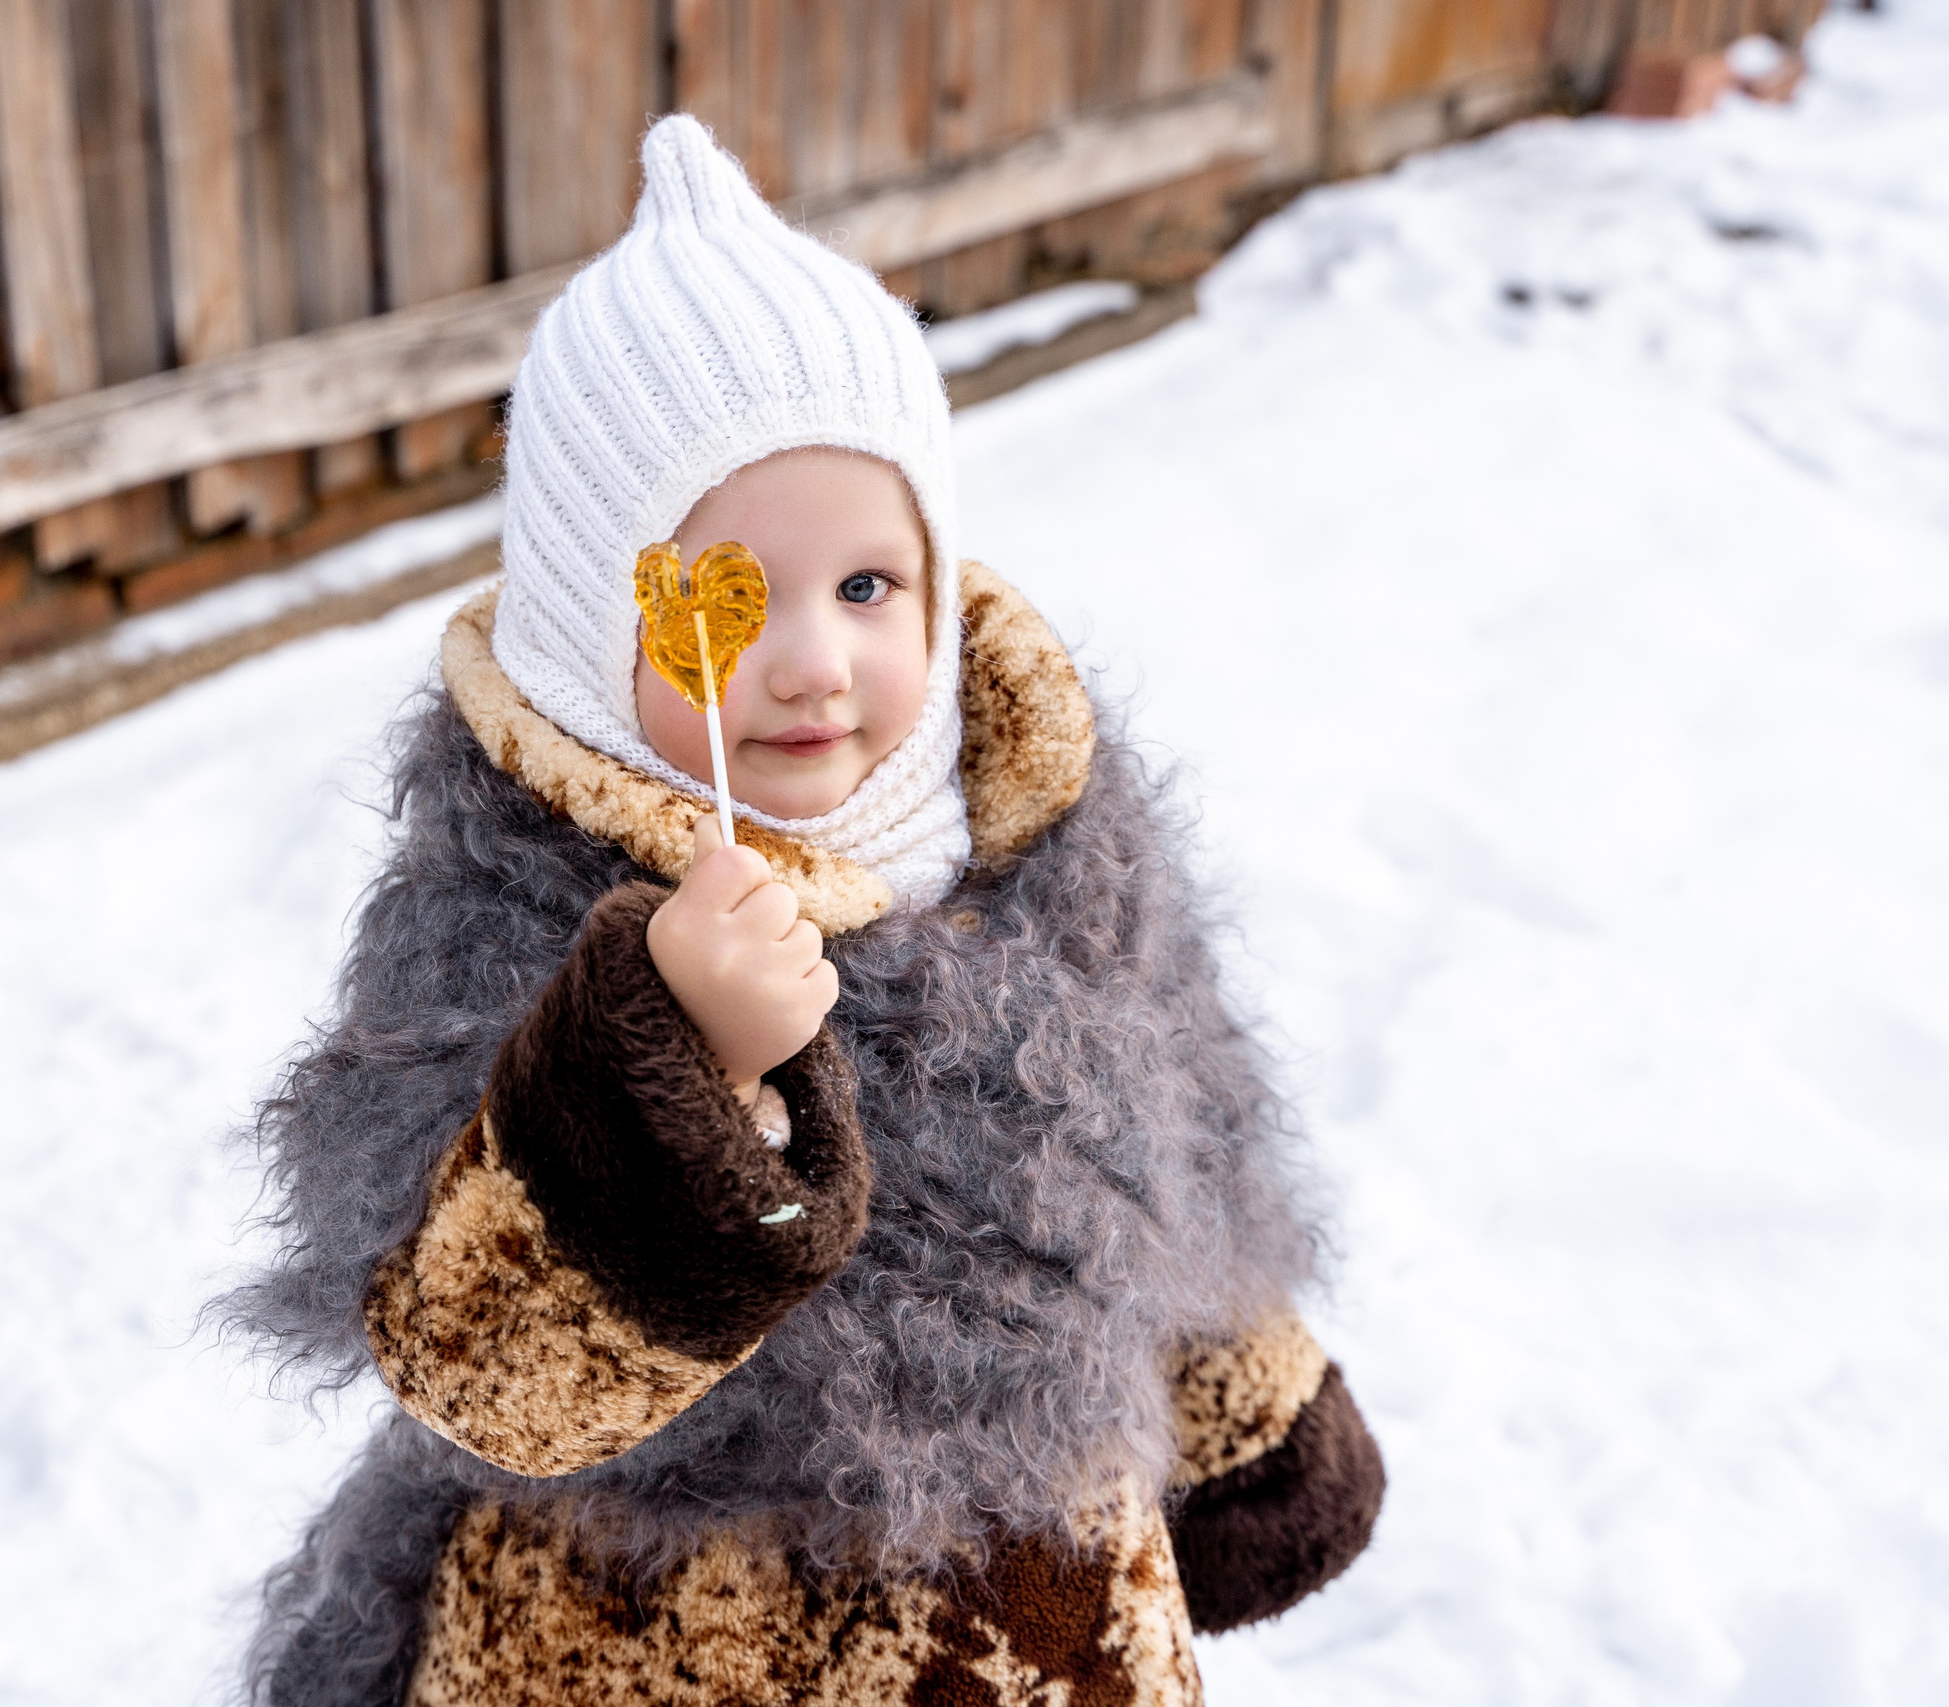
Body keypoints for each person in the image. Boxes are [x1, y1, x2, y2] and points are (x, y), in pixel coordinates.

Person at [222, 114, 1383, 1707]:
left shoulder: (1038, 828)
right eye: (732, 597)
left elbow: (1166, 1149)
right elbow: (478, 1367)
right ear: (584, 610)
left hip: (1039, 1624)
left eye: (864, 586)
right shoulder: (514, 901)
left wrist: (1248, 1411)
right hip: (658, 1635)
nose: (815, 665)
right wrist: (671, 1071)